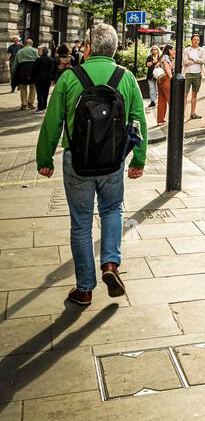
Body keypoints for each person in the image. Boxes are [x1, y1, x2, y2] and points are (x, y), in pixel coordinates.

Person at [36, 21, 147, 308]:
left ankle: (84, 288)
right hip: (112, 161)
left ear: (87, 47)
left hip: (77, 161)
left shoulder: (70, 78)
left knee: (81, 223)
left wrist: (44, 157)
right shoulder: (126, 77)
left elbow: (53, 121)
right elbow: (138, 120)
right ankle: (110, 263)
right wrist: (139, 158)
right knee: (112, 210)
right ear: (114, 49)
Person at [182, 33, 205, 121]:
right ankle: (182, 114)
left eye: (197, 40)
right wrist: (197, 61)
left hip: (198, 74)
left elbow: (203, 61)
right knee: (184, 94)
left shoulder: (202, 50)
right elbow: (185, 62)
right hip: (187, 74)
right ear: (191, 40)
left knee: (194, 94)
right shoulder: (186, 50)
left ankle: (193, 113)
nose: (196, 41)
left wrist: (192, 59)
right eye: (194, 39)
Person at [12, 38, 38, 109]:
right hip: (33, 69)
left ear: (25, 44)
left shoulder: (20, 51)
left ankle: (24, 104)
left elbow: (15, 63)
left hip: (22, 70)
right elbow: (38, 60)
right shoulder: (35, 50)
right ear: (31, 44)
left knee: (23, 87)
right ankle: (30, 103)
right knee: (33, 87)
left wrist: (13, 71)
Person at [155, 43, 174, 126]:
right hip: (166, 79)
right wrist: (172, 78)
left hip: (160, 80)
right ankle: (174, 118)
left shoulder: (162, 57)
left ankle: (160, 119)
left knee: (162, 100)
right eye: (173, 50)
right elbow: (167, 68)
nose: (174, 51)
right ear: (169, 50)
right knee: (171, 99)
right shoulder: (166, 57)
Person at [33, 44, 55, 111]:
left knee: (39, 93)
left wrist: (33, 77)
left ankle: (40, 107)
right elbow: (52, 70)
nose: (38, 52)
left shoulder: (38, 60)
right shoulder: (51, 60)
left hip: (39, 78)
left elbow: (34, 70)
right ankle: (44, 106)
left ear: (42, 52)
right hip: (47, 78)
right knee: (46, 92)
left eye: (39, 51)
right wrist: (52, 78)